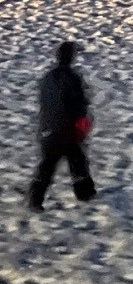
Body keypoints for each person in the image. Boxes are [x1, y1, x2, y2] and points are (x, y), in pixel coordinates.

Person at [27, 41, 96, 209]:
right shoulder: (72, 78)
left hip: (48, 128)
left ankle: (35, 198)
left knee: (49, 164)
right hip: (66, 130)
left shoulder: (48, 77)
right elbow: (79, 103)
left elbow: (45, 102)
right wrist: (82, 120)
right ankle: (86, 196)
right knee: (77, 161)